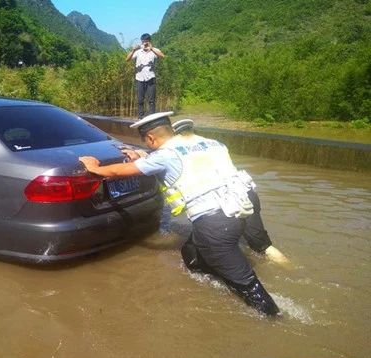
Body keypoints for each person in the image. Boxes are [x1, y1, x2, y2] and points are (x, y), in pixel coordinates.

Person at [79, 112, 280, 316]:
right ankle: (218, 279)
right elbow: (188, 163)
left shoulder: (164, 155)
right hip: (243, 206)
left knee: (248, 284)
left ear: (150, 138)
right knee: (191, 254)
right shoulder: (212, 143)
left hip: (216, 224)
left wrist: (94, 167)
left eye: (146, 142)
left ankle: (274, 316)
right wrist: (145, 158)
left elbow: (115, 172)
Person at [126, 33, 165, 119]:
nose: (145, 43)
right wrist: (133, 50)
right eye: (143, 41)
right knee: (140, 100)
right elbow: (127, 59)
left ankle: (152, 118)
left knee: (151, 100)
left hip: (151, 78)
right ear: (141, 41)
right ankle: (140, 117)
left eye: (146, 41)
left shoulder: (154, 50)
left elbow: (162, 56)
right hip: (139, 79)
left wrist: (151, 48)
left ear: (150, 41)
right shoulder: (138, 51)